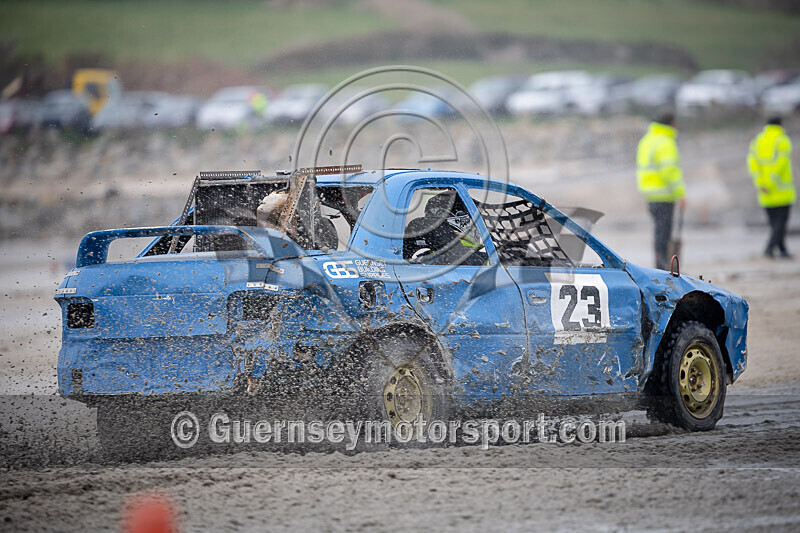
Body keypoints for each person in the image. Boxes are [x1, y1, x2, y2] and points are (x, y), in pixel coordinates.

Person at [636, 112, 686, 270]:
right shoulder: (665, 142)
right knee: (664, 233)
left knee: (659, 231)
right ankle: (664, 265)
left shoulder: (647, 140)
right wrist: (680, 193)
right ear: (671, 124)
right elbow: (669, 172)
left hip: (650, 195)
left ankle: (660, 262)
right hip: (664, 195)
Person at [748, 116, 796, 259]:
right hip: (781, 191)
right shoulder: (782, 140)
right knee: (780, 224)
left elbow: (752, 163)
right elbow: (781, 163)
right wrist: (770, 182)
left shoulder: (758, 141)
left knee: (775, 224)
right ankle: (769, 249)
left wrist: (760, 183)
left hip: (764, 191)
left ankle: (782, 250)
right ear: (780, 124)